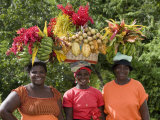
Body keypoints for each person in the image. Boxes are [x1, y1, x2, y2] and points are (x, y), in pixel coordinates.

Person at [102, 52, 150, 120]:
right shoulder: (106, 88)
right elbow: (101, 111)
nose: (122, 71)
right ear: (114, 69)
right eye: (118, 67)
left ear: (129, 70)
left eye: (125, 68)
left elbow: (145, 112)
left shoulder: (137, 86)